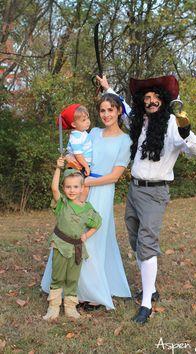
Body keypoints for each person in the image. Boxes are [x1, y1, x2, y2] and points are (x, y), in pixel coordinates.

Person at [97, 74, 196, 324]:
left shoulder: (172, 124)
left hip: (156, 192)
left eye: (155, 97)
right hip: (135, 190)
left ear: (164, 100)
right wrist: (108, 88)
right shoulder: (140, 122)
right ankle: (152, 289)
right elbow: (121, 107)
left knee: (147, 243)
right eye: (146, 97)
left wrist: (187, 134)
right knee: (136, 241)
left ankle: (146, 304)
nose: (151, 101)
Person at [41, 93, 132, 310]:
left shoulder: (125, 140)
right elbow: (78, 154)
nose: (106, 114)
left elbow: (115, 175)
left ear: (119, 111)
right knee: (72, 232)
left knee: (92, 238)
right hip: (82, 187)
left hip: (101, 188)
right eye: (102, 110)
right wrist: (69, 160)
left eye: (111, 110)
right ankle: (69, 288)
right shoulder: (93, 133)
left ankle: (91, 291)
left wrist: (90, 183)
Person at [43, 157, 101, 321]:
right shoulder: (62, 203)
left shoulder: (88, 209)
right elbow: (54, 189)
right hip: (61, 245)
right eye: (68, 187)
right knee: (58, 276)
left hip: (77, 248)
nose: (72, 190)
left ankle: (70, 306)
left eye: (76, 186)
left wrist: (86, 235)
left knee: (72, 278)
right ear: (64, 188)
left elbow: (97, 223)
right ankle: (53, 307)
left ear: (83, 188)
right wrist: (58, 169)